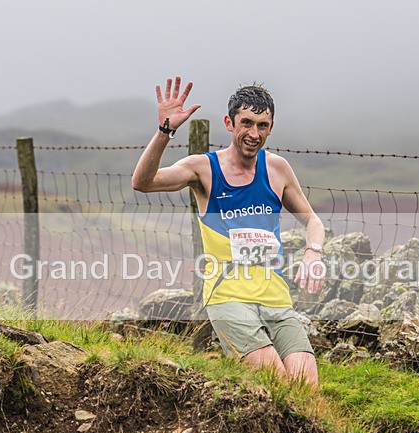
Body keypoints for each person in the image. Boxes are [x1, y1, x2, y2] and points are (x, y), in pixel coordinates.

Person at [132, 76, 325, 388]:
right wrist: (164, 132)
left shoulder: (277, 169)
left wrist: (312, 253)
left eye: (262, 125)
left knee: (307, 388)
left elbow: (313, 222)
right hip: (228, 297)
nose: (253, 134)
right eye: (246, 123)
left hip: (276, 297)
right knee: (276, 385)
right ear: (229, 122)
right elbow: (142, 183)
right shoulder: (203, 168)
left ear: (271, 128)